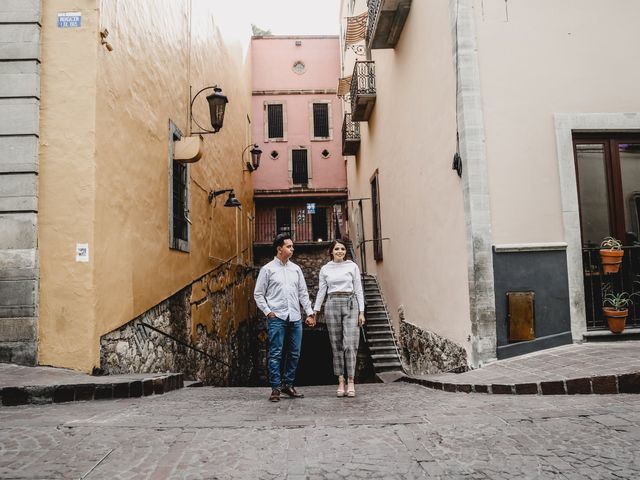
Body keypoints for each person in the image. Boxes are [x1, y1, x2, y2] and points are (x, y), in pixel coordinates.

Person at [254, 233, 315, 402]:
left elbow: (303, 293)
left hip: (295, 317)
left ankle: (288, 385)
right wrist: (268, 312)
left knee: (294, 353)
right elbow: (258, 294)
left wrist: (309, 313)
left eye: (292, 246)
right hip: (277, 317)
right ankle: (275, 389)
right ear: (279, 249)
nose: (292, 249)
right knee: (276, 353)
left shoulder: (296, 269)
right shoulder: (267, 269)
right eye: (289, 246)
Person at [310, 239, 365, 397]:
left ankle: (351, 380)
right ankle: (341, 381)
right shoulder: (325, 269)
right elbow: (322, 291)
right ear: (331, 252)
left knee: (350, 344)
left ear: (345, 251)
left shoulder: (352, 266)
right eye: (336, 249)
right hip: (332, 304)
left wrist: (362, 312)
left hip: (351, 303)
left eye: (342, 249)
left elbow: (358, 289)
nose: (340, 251)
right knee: (336, 345)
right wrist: (315, 311)